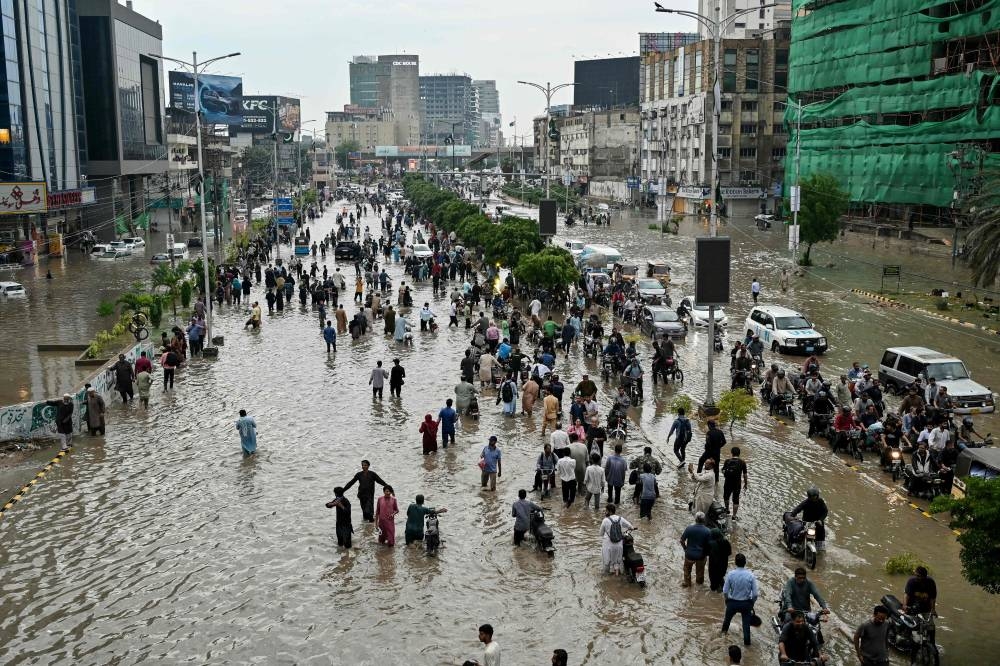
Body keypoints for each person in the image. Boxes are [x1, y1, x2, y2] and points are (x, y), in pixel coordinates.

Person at [721, 553, 759, 647]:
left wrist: (727, 600)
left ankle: (722, 638)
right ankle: (747, 646)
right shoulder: (751, 576)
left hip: (732, 603)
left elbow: (725, 591)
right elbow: (755, 594)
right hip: (746, 604)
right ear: (745, 563)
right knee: (746, 627)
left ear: (735, 563)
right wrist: (751, 603)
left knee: (726, 622)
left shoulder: (730, 574)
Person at [599, 504, 634, 575]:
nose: (605, 512)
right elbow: (631, 527)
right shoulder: (620, 519)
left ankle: (607, 579)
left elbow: (601, 533)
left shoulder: (605, 520)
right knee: (617, 563)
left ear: (610, 511)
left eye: (606, 511)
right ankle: (617, 577)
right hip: (619, 545)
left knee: (607, 563)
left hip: (608, 546)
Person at [680, 512, 712, 587]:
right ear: (704, 520)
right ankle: (699, 587)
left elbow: (682, 541)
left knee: (687, 571)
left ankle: (687, 585)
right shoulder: (707, 531)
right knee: (700, 573)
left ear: (695, 519)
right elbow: (710, 544)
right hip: (701, 556)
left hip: (689, 555)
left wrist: (685, 548)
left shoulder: (689, 528)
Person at [721, 448, 749, 520]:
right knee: (736, 499)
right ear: (739, 454)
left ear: (731, 453)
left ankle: (727, 510)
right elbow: (745, 475)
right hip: (737, 483)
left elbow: (723, 471)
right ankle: (734, 516)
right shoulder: (742, 462)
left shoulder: (727, 461)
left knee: (726, 497)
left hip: (727, 482)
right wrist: (746, 484)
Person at [708, 527, 732, 592]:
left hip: (714, 564)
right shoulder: (726, 542)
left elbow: (707, 553)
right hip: (723, 563)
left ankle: (714, 589)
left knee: (713, 577)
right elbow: (729, 553)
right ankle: (721, 588)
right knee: (721, 575)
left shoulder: (711, 543)